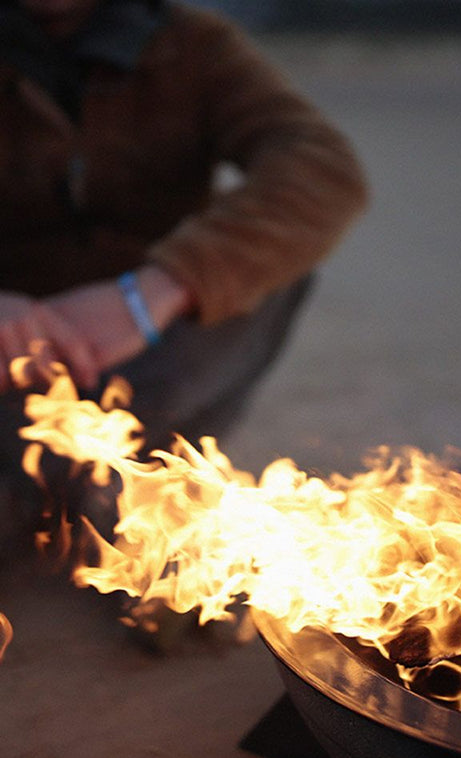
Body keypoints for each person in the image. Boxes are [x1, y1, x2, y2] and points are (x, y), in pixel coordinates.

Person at [0, 0, 368, 555]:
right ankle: (57, 494)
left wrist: (152, 293)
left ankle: (151, 489)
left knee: (261, 257)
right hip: (13, 357)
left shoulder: (188, 43)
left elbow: (321, 166)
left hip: (154, 355)